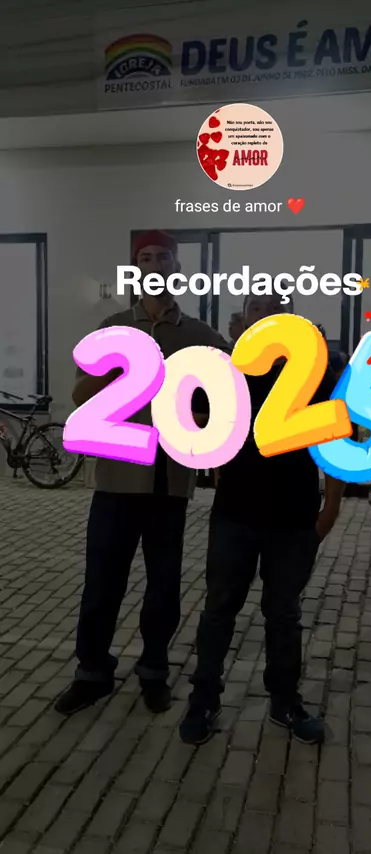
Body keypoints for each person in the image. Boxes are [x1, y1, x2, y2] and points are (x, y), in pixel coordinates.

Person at [55, 230, 229, 716]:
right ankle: (92, 672)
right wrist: (117, 373)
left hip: (169, 482)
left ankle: (154, 670)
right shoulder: (113, 329)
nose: (153, 264)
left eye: (162, 257)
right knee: (101, 582)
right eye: (144, 257)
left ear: (177, 268)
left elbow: (226, 398)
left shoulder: (199, 336)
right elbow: (79, 395)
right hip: (116, 479)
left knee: (164, 586)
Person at [179, 294, 345, 746]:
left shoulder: (313, 372)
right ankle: (204, 699)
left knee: (284, 614)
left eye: (275, 308)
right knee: (219, 610)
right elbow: (195, 417)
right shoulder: (228, 371)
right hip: (234, 514)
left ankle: (285, 701)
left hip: (294, 516)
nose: (266, 314)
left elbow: (333, 436)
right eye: (257, 307)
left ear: (288, 318)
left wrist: (331, 508)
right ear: (244, 318)